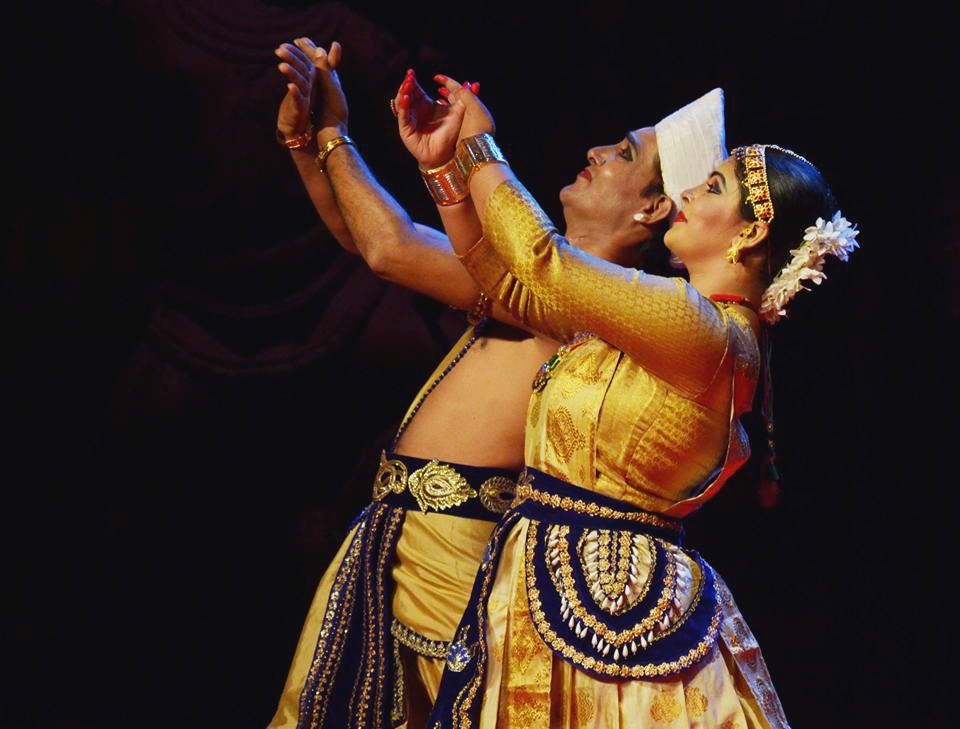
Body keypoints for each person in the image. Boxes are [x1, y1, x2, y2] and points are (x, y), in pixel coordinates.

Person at [268, 38, 728, 729]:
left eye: (625, 156)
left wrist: (336, 135)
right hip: (399, 542)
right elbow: (376, 240)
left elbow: (392, 248)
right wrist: (310, 140)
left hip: (457, 562)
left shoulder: (591, 313)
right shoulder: (524, 287)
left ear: (654, 211)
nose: (599, 152)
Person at [389, 78, 858, 729]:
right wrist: (446, 166)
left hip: (616, 620)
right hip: (544, 588)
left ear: (751, 233)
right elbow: (508, 281)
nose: (687, 194)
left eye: (713, 188)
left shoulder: (705, 332)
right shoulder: (668, 324)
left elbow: (543, 259)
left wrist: (482, 146)